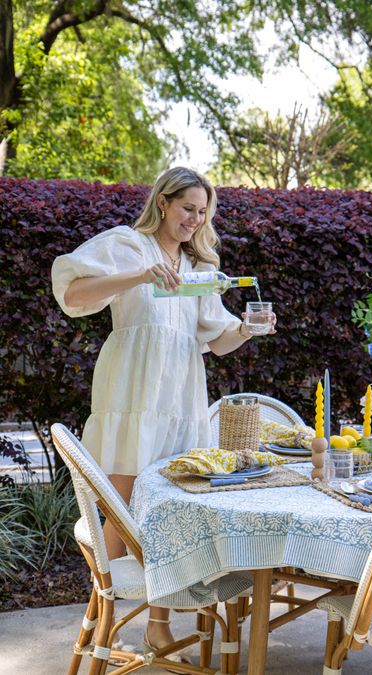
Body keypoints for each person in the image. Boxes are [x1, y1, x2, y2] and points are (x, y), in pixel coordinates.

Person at [51, 166, 277, 658]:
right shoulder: (126, 244)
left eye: (202, 212)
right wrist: (141, 274)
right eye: (188, 208)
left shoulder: (199, 270)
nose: (195, 219)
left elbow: (215, 342)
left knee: (171, 507)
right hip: (131, 390)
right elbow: (73, 295)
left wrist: (248, 330)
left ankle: (158, 622)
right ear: (163, 203)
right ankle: (103, 614)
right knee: (120, 501)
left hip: (179, 395)